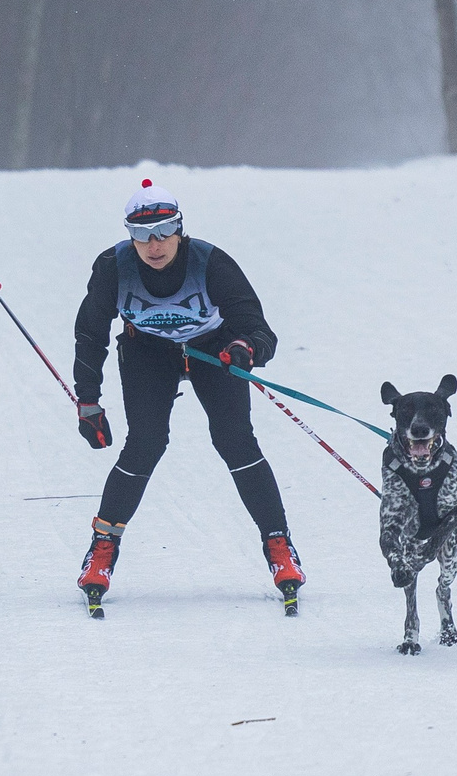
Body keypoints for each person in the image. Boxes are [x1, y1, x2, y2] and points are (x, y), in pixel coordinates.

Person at [69, 178, 305, 616]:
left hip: (212, 349)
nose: (153, 244)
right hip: (146, 352)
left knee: (236, 441)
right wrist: (88, 401)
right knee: (145, 444)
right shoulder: (113, 266)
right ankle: (102, 550)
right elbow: (90, 334)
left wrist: (245, 349)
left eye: (163, 231)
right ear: (129, 235)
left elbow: (259, 330)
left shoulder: (211, 263)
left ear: (180, 229)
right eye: (141, 234)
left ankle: (279, 546)